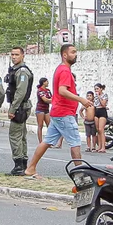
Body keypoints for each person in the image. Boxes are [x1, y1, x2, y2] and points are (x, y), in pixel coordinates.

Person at [24, 44, 92, 179]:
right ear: (64, 55)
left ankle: (31, 168)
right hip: (64, 113)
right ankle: (81, 176)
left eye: (76, 52)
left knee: (47, 141)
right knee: (75, 142)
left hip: (57, 112)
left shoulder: (60, 69)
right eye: (72, 52)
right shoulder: (65, 71)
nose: (75, 54)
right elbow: (62, 91)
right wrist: (81, 99)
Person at [3, 47, 34, 175]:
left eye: (16, 54)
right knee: (21, 136)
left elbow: (20, 92)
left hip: (20, 107)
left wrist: (13, 109)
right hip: (21, 106)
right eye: (12, 54)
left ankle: (18, 165)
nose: (14, 57)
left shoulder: (22, 72)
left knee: (15, 136)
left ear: (22, 56)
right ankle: (23, 164)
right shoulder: (16, 70)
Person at [92, 83, 110, 153]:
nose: (96, 90)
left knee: (101, 129)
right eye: (95, 89)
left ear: (101, 89)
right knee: (98, 130)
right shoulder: (95, 96)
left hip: (102, 111)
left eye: (97, 89)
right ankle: (99, 146)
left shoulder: (104, 95)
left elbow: (103, 104)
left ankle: (103, 147)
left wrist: (99, 97)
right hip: (97, 111)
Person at [34, 78, 52, 143]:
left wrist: (51, 100)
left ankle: (49, 141)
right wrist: (52, 100)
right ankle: (40, 141)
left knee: (49, 125)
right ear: (43, 82)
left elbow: (51, 98)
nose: (48, 83)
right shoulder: (40, 90)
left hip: (46, 109)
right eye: (47, 81)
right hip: (40, 109)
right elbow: (45, 100)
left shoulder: (48, 90)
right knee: (40, 125)